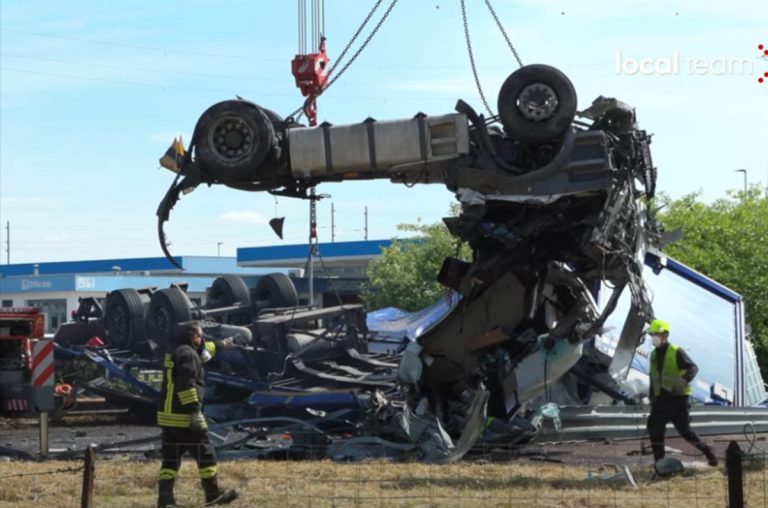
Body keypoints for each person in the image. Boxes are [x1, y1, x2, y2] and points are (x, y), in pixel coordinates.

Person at [157, 322, 240, 507]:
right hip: (184, 417)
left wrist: (224, 343)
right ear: (193, 336)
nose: (201, 339)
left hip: (167, 417)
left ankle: (165, 500)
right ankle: (213, 495)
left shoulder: (176, 350)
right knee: (206, 455)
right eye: (199, 336)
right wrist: (194, 412)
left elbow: (206, 349)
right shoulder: (189, 355)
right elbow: (186, 386)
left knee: (170, 460)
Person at [646, 319, 718, 467]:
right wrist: (652, 396)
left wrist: (683, 381)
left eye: (656, 334)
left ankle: (708, 451)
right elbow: (654, 377)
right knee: (655, 429)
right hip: (660, 400)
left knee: (685, 432)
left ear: (665, 334)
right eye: (652, 334)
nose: (653, 337)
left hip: (678, 400)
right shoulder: (653, 355)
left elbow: (693, 368)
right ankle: (660, 464)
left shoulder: (676, 351)